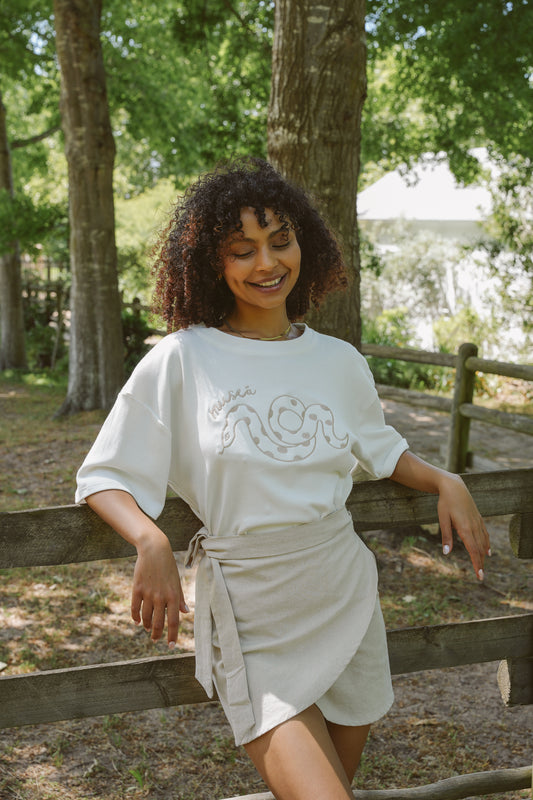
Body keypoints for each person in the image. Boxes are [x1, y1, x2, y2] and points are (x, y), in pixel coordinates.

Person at [75, 157, 490, 800]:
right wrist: (149, 541)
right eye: (242, 251)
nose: (267, 264)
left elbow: (378, 447)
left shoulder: (338, 360)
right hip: (254, 614)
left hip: (342, 595)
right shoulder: (181, 359)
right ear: (213, 263)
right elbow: (104, 473)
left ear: (306, 244)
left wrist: (445, 481)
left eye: (281, 241)